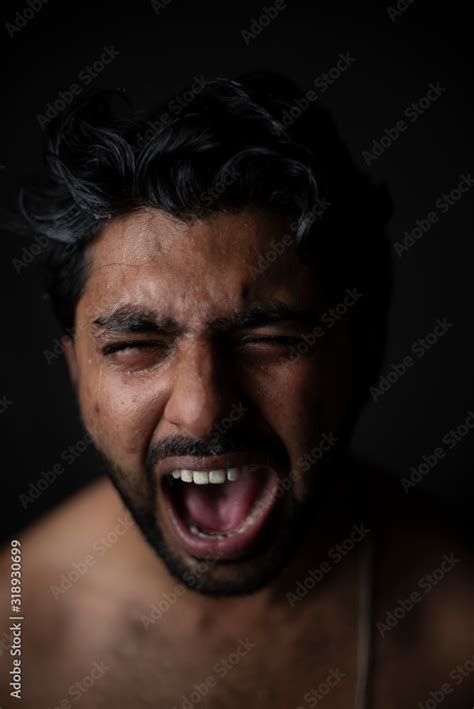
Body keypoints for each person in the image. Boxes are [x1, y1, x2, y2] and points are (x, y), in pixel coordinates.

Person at [1, 73, 472, 708]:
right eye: (135, 345)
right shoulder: (14, 640)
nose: (203, 409)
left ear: (367, 346)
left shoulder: (460, 633)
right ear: (78, 368)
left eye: (268, 338)